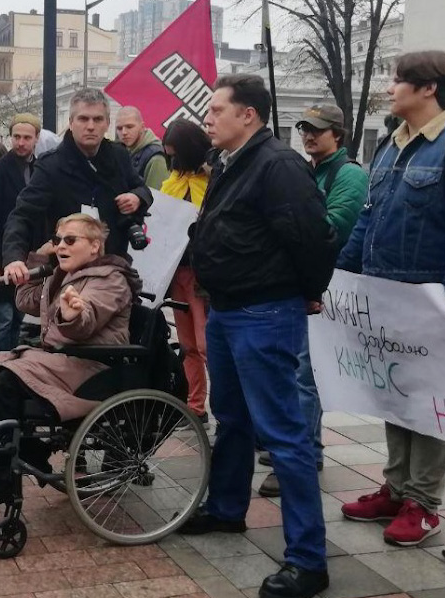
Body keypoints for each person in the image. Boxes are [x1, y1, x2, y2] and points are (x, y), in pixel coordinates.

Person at [178, 74, 337, 598]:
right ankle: (227, 510)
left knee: (284, 433)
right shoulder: (230, 162)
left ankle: (307, 560)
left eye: (217, 110)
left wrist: (308, 291)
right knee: (234, 417)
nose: (209, 118)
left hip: (265, 312)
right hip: (226, 310)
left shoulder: (278, 164)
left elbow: (312, 236)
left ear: (249, 114)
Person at [338, 51, 445, 547]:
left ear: (430, 88)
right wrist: (339, 274)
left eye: (399, 79)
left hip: (427, 293)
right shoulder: (389, 147)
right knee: (393, 391)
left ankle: (423, 504)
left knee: (428, 399)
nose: (390, 87)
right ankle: (396, 485)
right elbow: (367, 219)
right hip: (382, 290)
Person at [0, 213, 140, 510]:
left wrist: (72, 313)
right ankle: (28, 451)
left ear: (95, 246)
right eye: (58, 239)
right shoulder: (63, 273)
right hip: (67, 362)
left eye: (70, 240)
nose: (61, 245)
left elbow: (86, 320)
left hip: (91, 370)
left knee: (8, 381)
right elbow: (25, 302)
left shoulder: (110, 279)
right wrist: (35, 261)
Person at [258, 103, 368, 499]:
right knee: (296, 371)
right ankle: (299, 445)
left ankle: (303, 454)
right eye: (305, 128)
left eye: (318, 130)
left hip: (328, 284)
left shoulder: (349, 174)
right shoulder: (307, 170)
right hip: (301, 282)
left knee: (306, 374)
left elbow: (333, 226)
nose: (308, 135)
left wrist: (288, 229)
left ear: (337, 134)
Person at [3, 88, 153, 284]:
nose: (91, 126)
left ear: (107, 123)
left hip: (113, 269)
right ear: (71, 123)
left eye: (98, 119)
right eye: (83, 119)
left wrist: (137, 197)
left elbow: (143, 189)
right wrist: (14, 258)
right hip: (67, 275)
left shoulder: (119, 156)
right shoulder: (51, 166)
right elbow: (22, 215)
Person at [158, 119, 211, 423]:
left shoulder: (213, 180)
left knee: (205, 344)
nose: (172, 160)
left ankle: (229, 411)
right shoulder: (172, 181)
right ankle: (195, 405)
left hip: (201, 274)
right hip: (178, 270)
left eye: (176, 154)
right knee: (189, 345)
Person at [0, 114, 41, 353]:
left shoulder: (40, 169)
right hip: (1, 261)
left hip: (28, 258)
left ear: (36, 139)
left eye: (27, 137)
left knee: (18, 319)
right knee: (1, 321)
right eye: (17, 137)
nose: (21, 142)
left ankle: (11, 374)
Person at [115, 105, 171, 191]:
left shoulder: (156, 158)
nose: (124, 132)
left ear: (142, 127)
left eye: (129, 127)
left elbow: (156, 199)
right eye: (119, 128)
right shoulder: (120, 151)